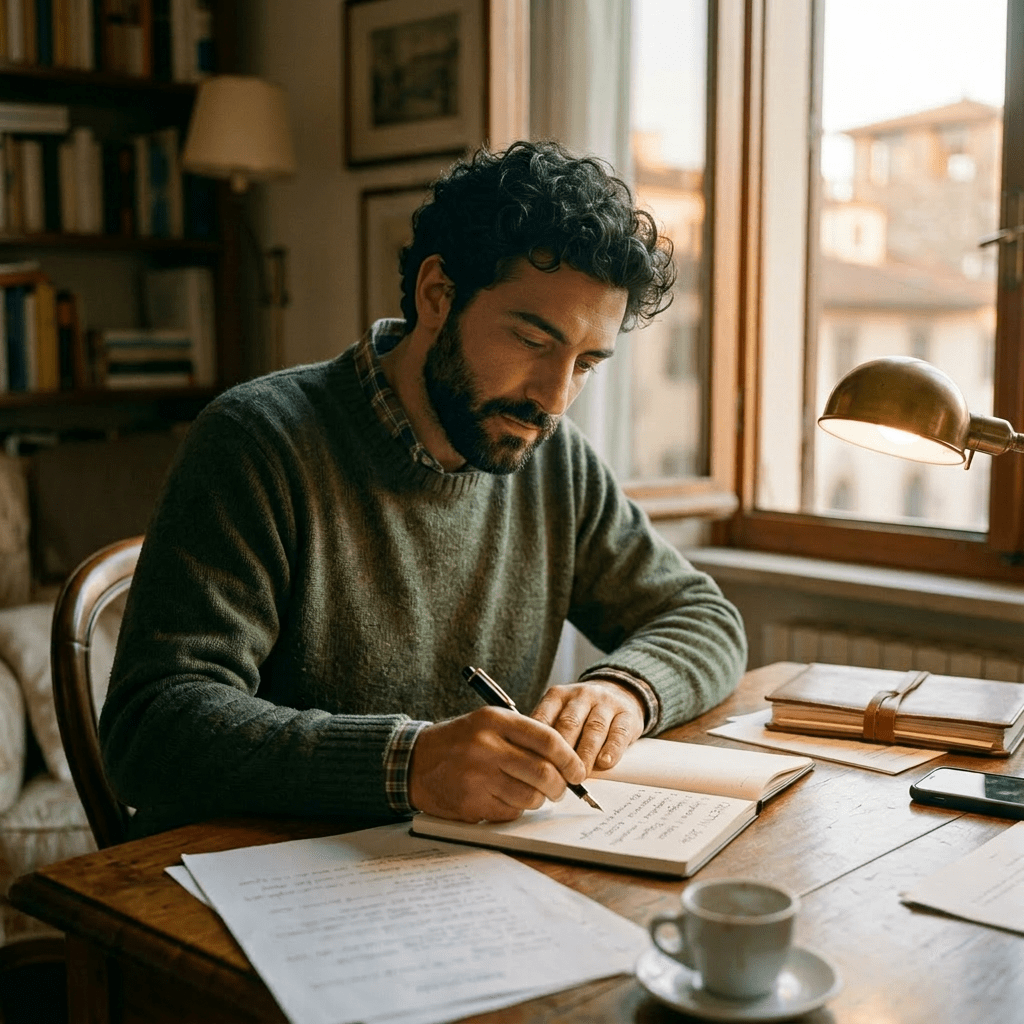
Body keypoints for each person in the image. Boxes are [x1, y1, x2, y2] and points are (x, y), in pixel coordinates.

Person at [99, 140, 747, 838]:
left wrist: (623, 690)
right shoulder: (258, 440)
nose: (554, 400)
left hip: (449, 872)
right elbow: (153, 728)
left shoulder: (554, 461)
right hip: (242, 879)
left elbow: (703, 616)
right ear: (438, 295)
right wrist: (408, 763)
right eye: (533, 340)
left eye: (586, 363)